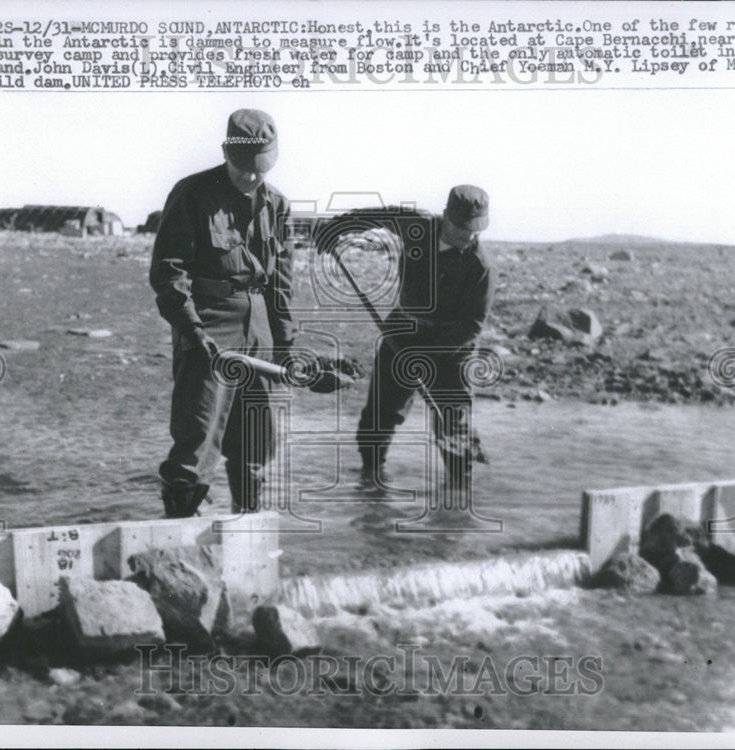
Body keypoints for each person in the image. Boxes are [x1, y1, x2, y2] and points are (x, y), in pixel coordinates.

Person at [149, 109, 295, 518]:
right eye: (244, 167)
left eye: (260, 168)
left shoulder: (277, 204)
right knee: (198, 437)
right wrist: (193, 331)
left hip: (259, 327)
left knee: (255, 438)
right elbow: (169, 272)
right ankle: (178, 537)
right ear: (227, 153)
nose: (252, 177)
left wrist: (285, 346)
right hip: (209, 324)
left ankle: (247, 533)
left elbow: (282, 283)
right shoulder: (192, 193)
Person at [317, 186, 493, 496]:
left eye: (476, 229)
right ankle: (371, 486)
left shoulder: (480, 266)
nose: (471, 236)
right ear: (446, 217)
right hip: (403, 330)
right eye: (464, 229)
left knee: (454, 429)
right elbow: (376, 216)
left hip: (452, 347)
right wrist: (336, 229)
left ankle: (458, 498)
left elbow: (473, 324)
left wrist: (426, 354)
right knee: (377, 420)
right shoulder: (417, 225)